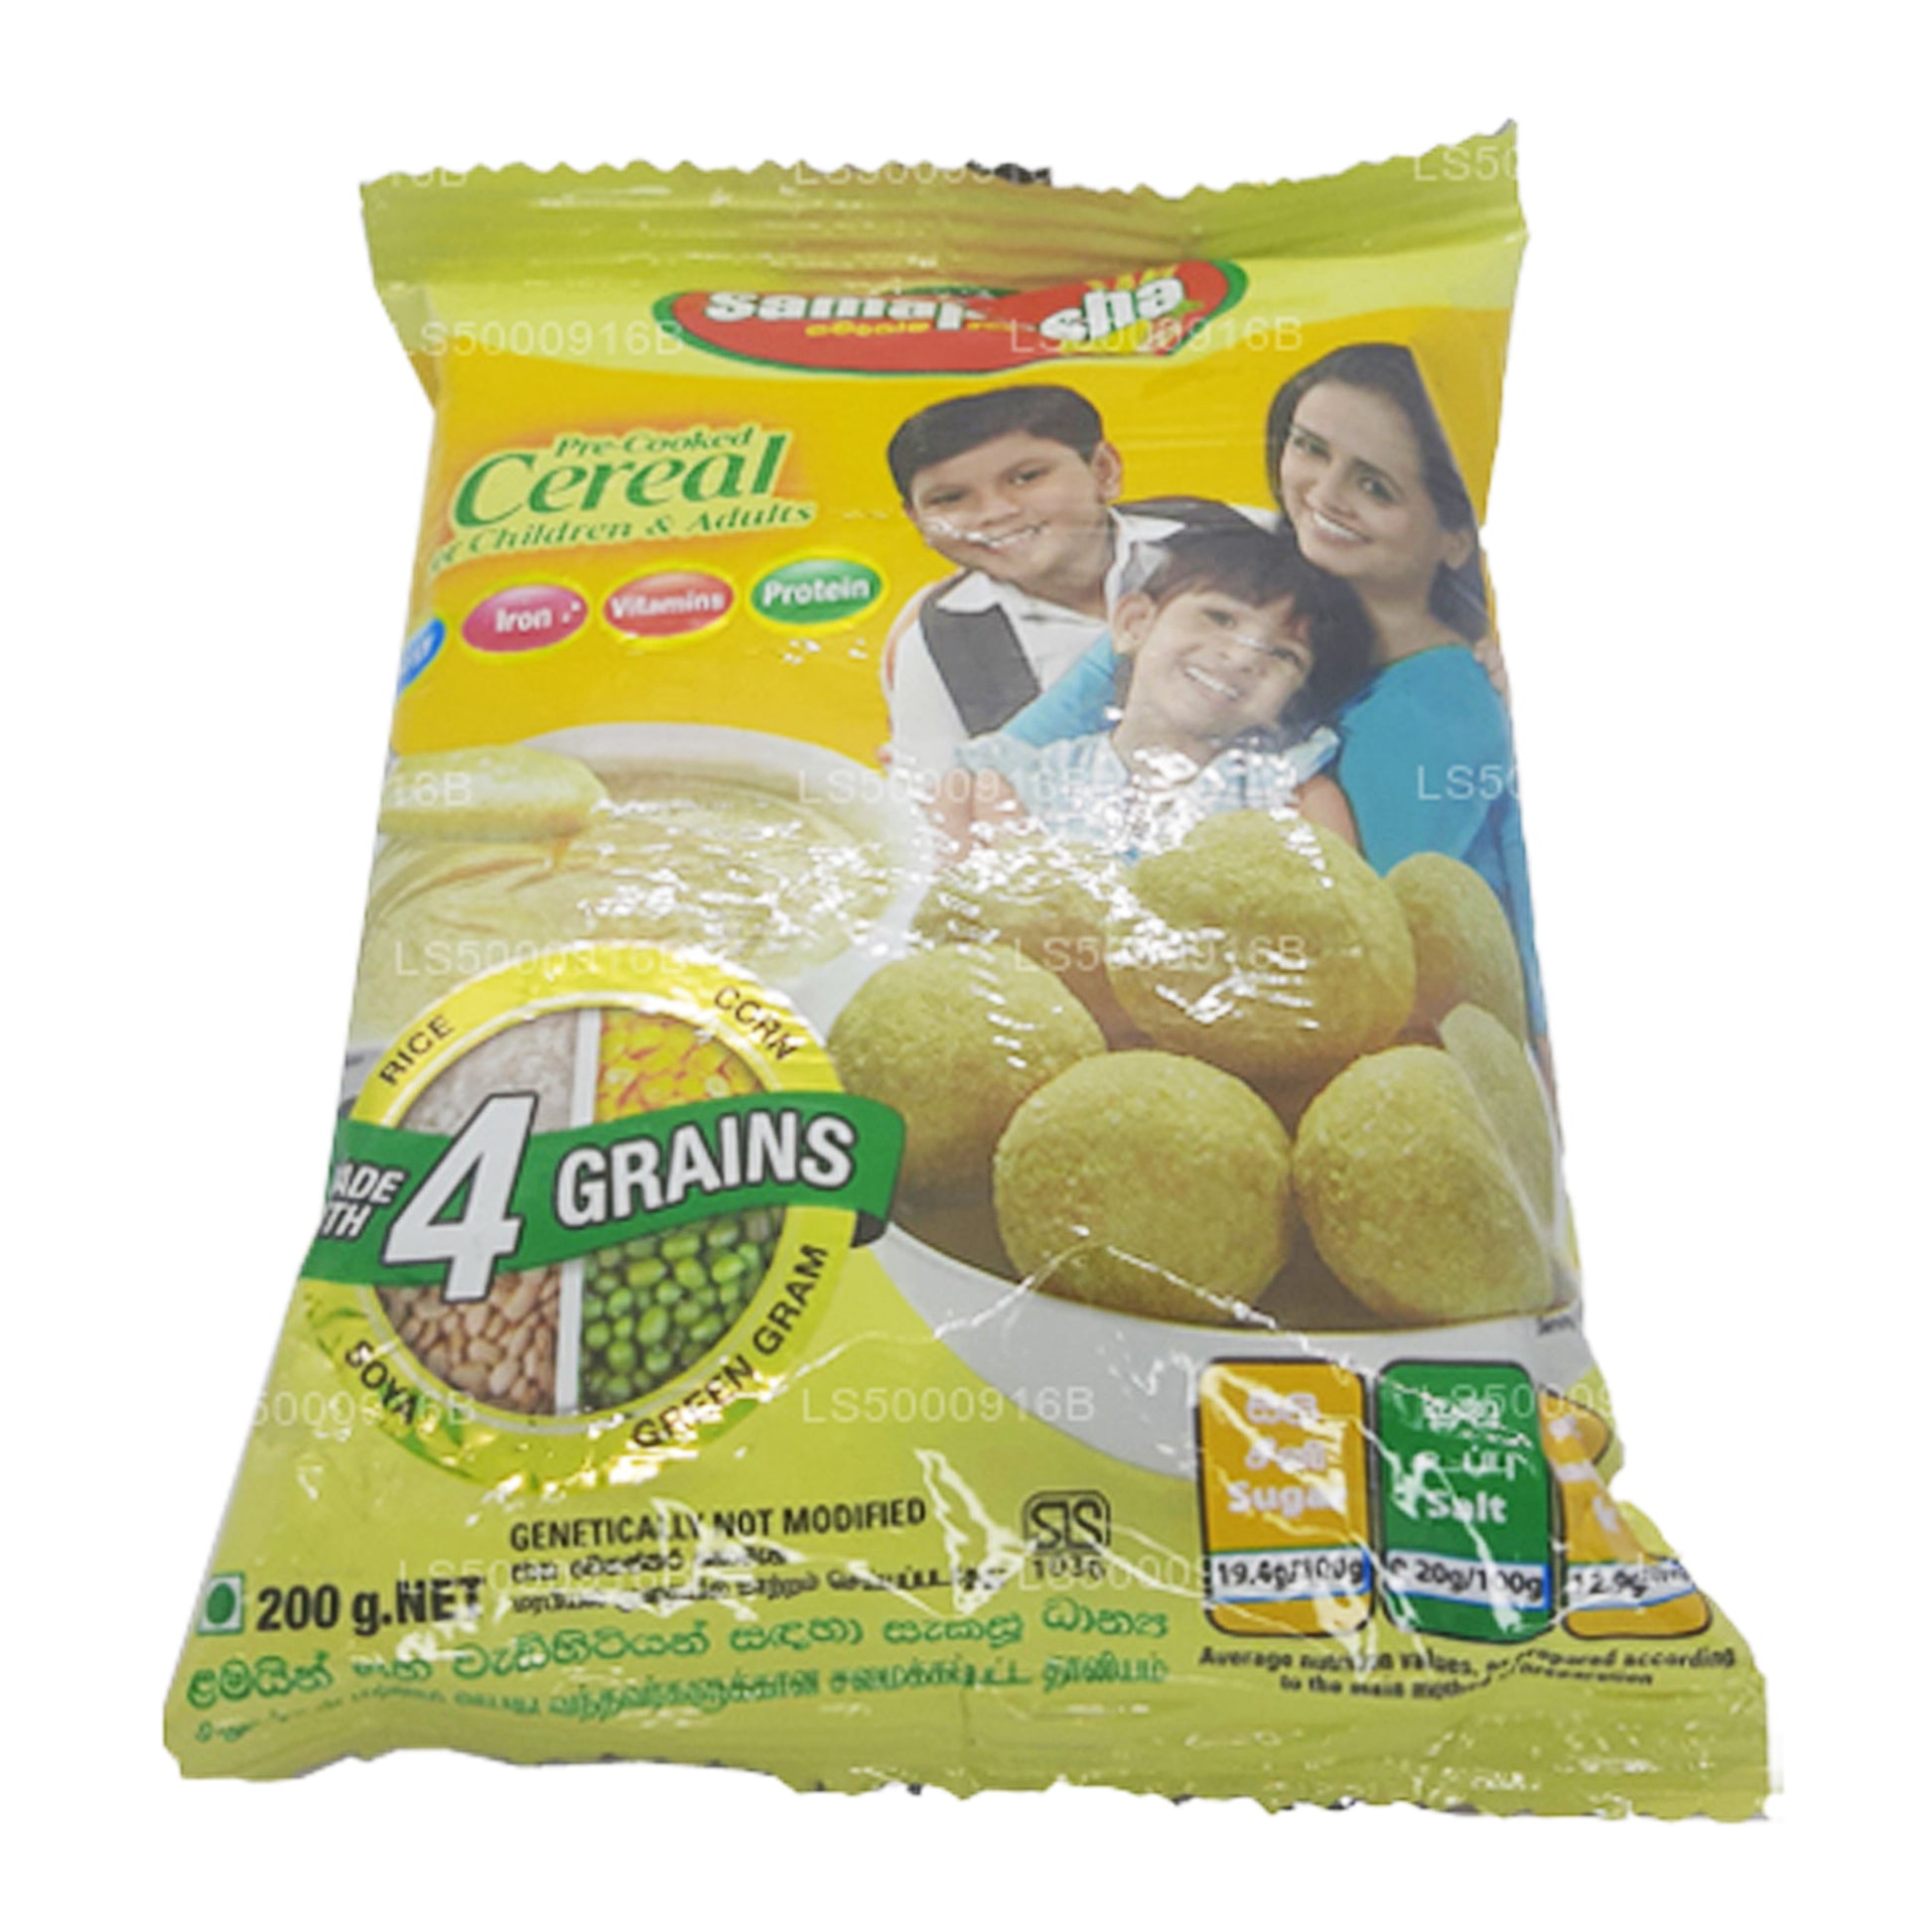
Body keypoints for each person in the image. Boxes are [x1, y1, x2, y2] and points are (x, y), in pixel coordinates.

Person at [986, 344, 1549, 1041]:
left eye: (1376, 487)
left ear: (1456, 539)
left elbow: (1362, 962)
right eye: (1310, 448)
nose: (1324, 495)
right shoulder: (1230, 586)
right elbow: (998, 763)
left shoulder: (1435, 710)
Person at [881, 384, 1251, 779]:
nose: (995, 512)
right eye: (950, 498)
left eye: (1026, 478)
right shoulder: (941, 642)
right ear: (917, 519)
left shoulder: (1233, 537)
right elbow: (936, 794)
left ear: (1103, 471)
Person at [938, 525, 1371, 863]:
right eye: (1219, 618)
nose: (1242, 658)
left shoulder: (1289, 792)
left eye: (1283, 654)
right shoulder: (1024, 778)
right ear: (1133, 623)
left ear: (1291, 700)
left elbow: (1335, 923)